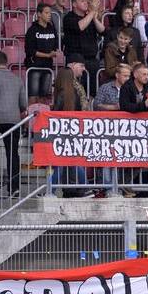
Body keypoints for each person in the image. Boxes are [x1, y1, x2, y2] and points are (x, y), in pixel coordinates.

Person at [0, 51, 27, 196]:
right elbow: (24, 104)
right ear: (7, 62)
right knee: (13, 154)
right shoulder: (17, 79)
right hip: (13, 121)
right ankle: (14, 188)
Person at [50, 60, 89, 197]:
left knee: (59, 165)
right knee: (75, 162)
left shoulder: (61, 94)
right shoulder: (76, 94)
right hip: (74, 130)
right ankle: (84, 187)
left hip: (62, 132)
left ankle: (51, 191)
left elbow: (55, 114)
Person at [62, 0, 104, 93]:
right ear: (74, 4)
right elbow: (80, 26)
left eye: (86, 1)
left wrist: (93, 16)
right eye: (82, 1)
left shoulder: (90, 17)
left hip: (92, 60)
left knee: (93, 90)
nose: (86, 3)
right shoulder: (68, 17)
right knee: (77, 90)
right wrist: (92, 12)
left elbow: (102, 30)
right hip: (75, 59)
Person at [25, 3, 58, 103]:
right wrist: (47, 55)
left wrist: (54, 52)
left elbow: (55, 45)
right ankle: (31, 117)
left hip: (47, 67)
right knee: (33, 95)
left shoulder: (52, 29)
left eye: (50, 13)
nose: (49, 15)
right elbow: (30, 51)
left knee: (44, 96)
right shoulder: (32, 30)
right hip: (35, 66)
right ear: (39, 14)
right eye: (46, 13)